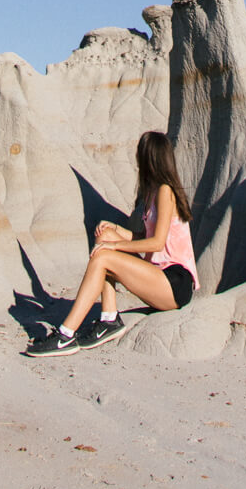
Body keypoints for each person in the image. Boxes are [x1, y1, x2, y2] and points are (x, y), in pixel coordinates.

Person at [24, 130, 198, 356]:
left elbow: (155, 244)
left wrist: (114, 247)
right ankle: (108, 318)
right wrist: (116, 231)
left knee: (104, 255)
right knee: (104, 235)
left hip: (175, 282)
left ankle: (66, 335)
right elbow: (143, 240)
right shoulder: (152, 192)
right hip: (159, 275)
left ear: (148, 158)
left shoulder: (165, 191)